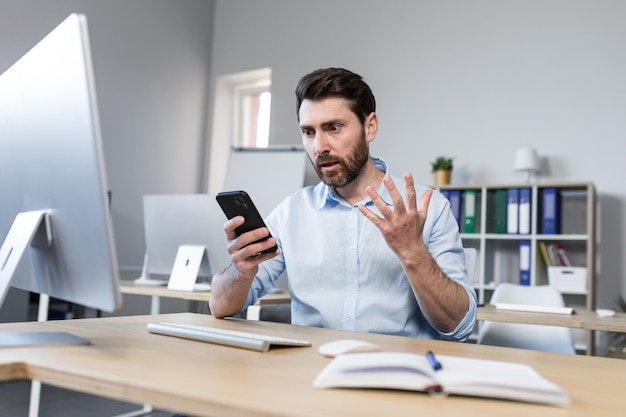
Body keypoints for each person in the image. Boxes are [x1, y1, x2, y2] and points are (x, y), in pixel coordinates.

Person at [209, 67, 477, 341]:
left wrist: (413, 252)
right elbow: (220, 306)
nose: (319, 147)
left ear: (369, 126)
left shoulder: (427, 208)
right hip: (309, 372)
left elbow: (459, 326)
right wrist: (240, 270)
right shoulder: (292, 212)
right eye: (308, 132)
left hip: (400, 371)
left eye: (333, 128)